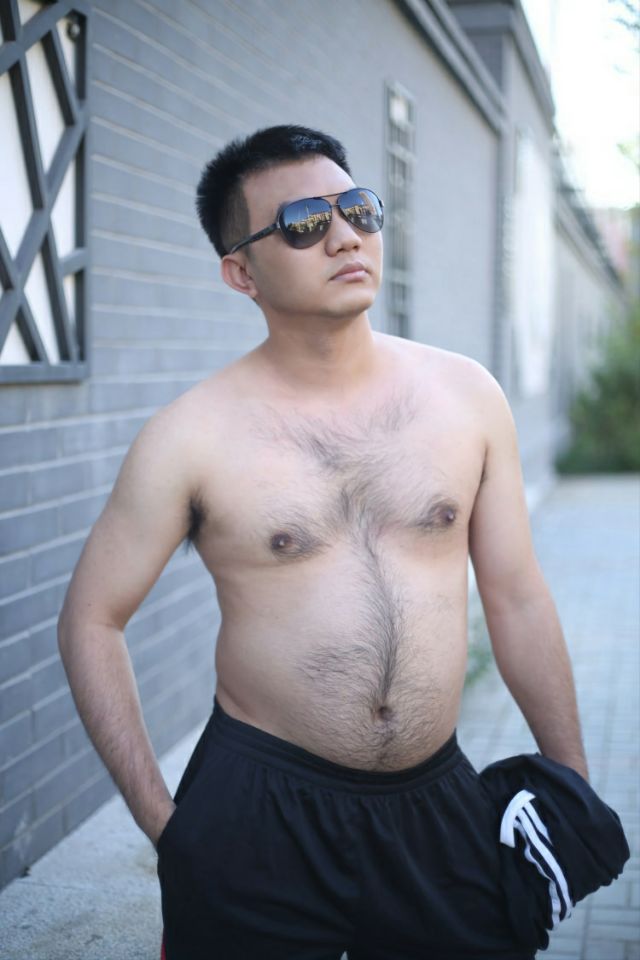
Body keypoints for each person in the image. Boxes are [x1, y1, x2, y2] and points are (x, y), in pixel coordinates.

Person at [58, 125, 627, 960]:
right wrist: (167, 828)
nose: (344, 236)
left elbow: (515, 594)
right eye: (302, 223)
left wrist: (570, 781)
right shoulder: (190, 437)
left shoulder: (467, 398)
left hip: (439, 806)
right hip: (258, 811)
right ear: (241, 272)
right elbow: (90, 619)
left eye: (358, 209)